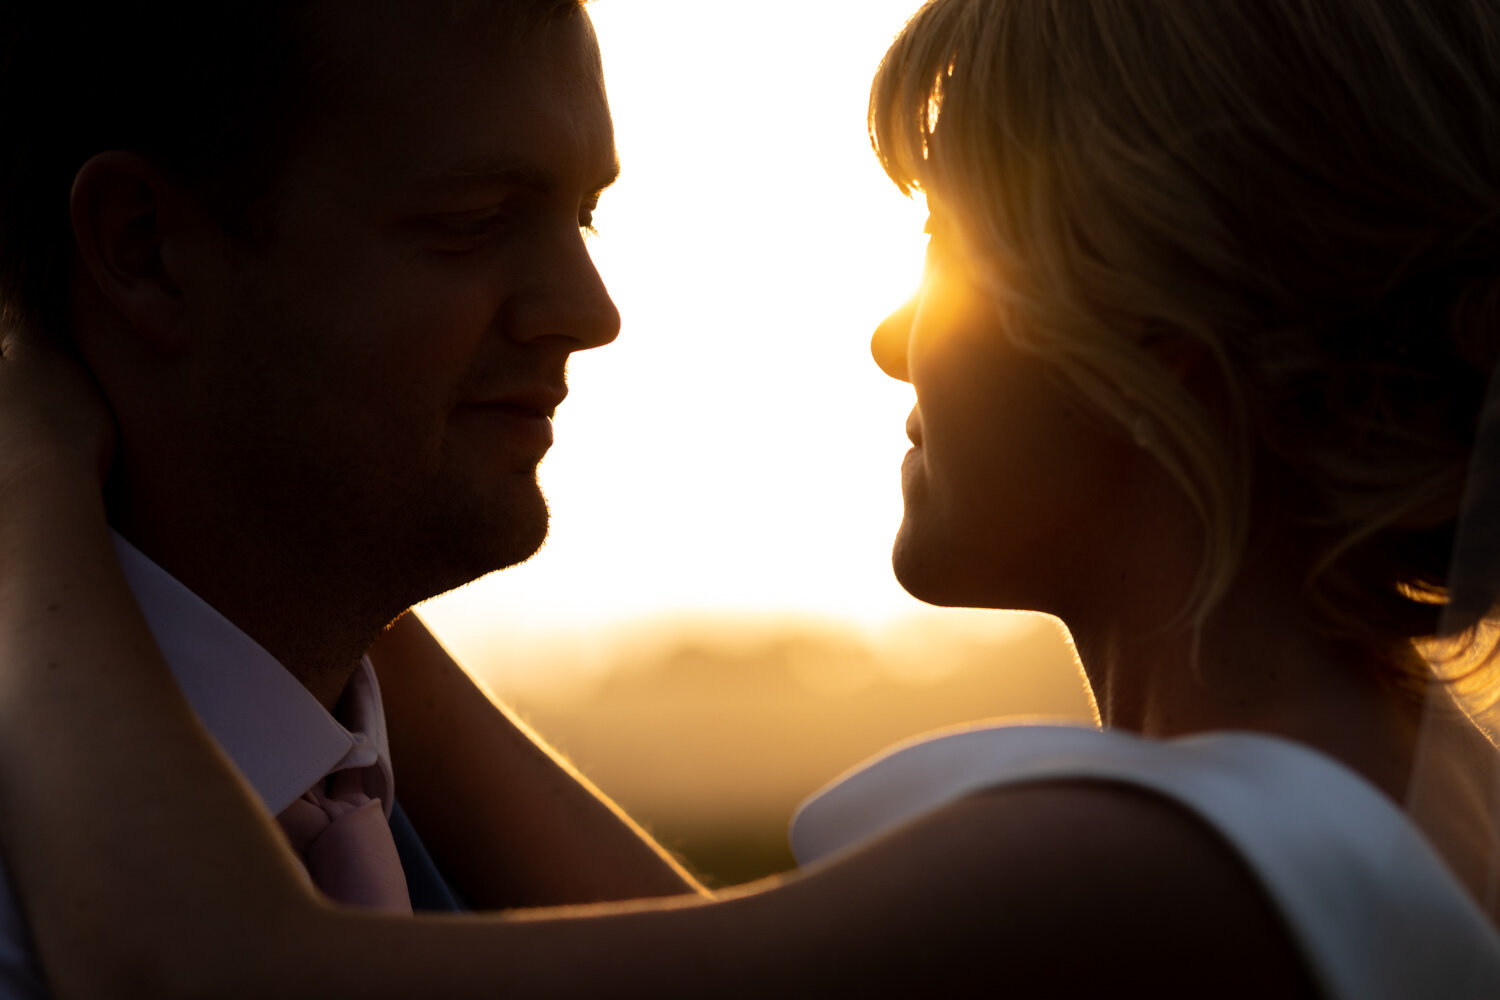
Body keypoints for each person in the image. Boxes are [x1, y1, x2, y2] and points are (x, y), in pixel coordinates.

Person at [4, 0, 1500, 996]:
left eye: (957, 250)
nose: (896, 334)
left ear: (1161, 354)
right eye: (467, 226)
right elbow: (661, 933)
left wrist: (27, 507)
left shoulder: (1176, 868)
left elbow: (203, 972)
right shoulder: (1408, 794)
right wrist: (303, 548)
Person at [0, 1, 708, 994]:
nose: (593, 312)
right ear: (145, 247)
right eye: (473, 222)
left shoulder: (413, 829)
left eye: (584, 215)